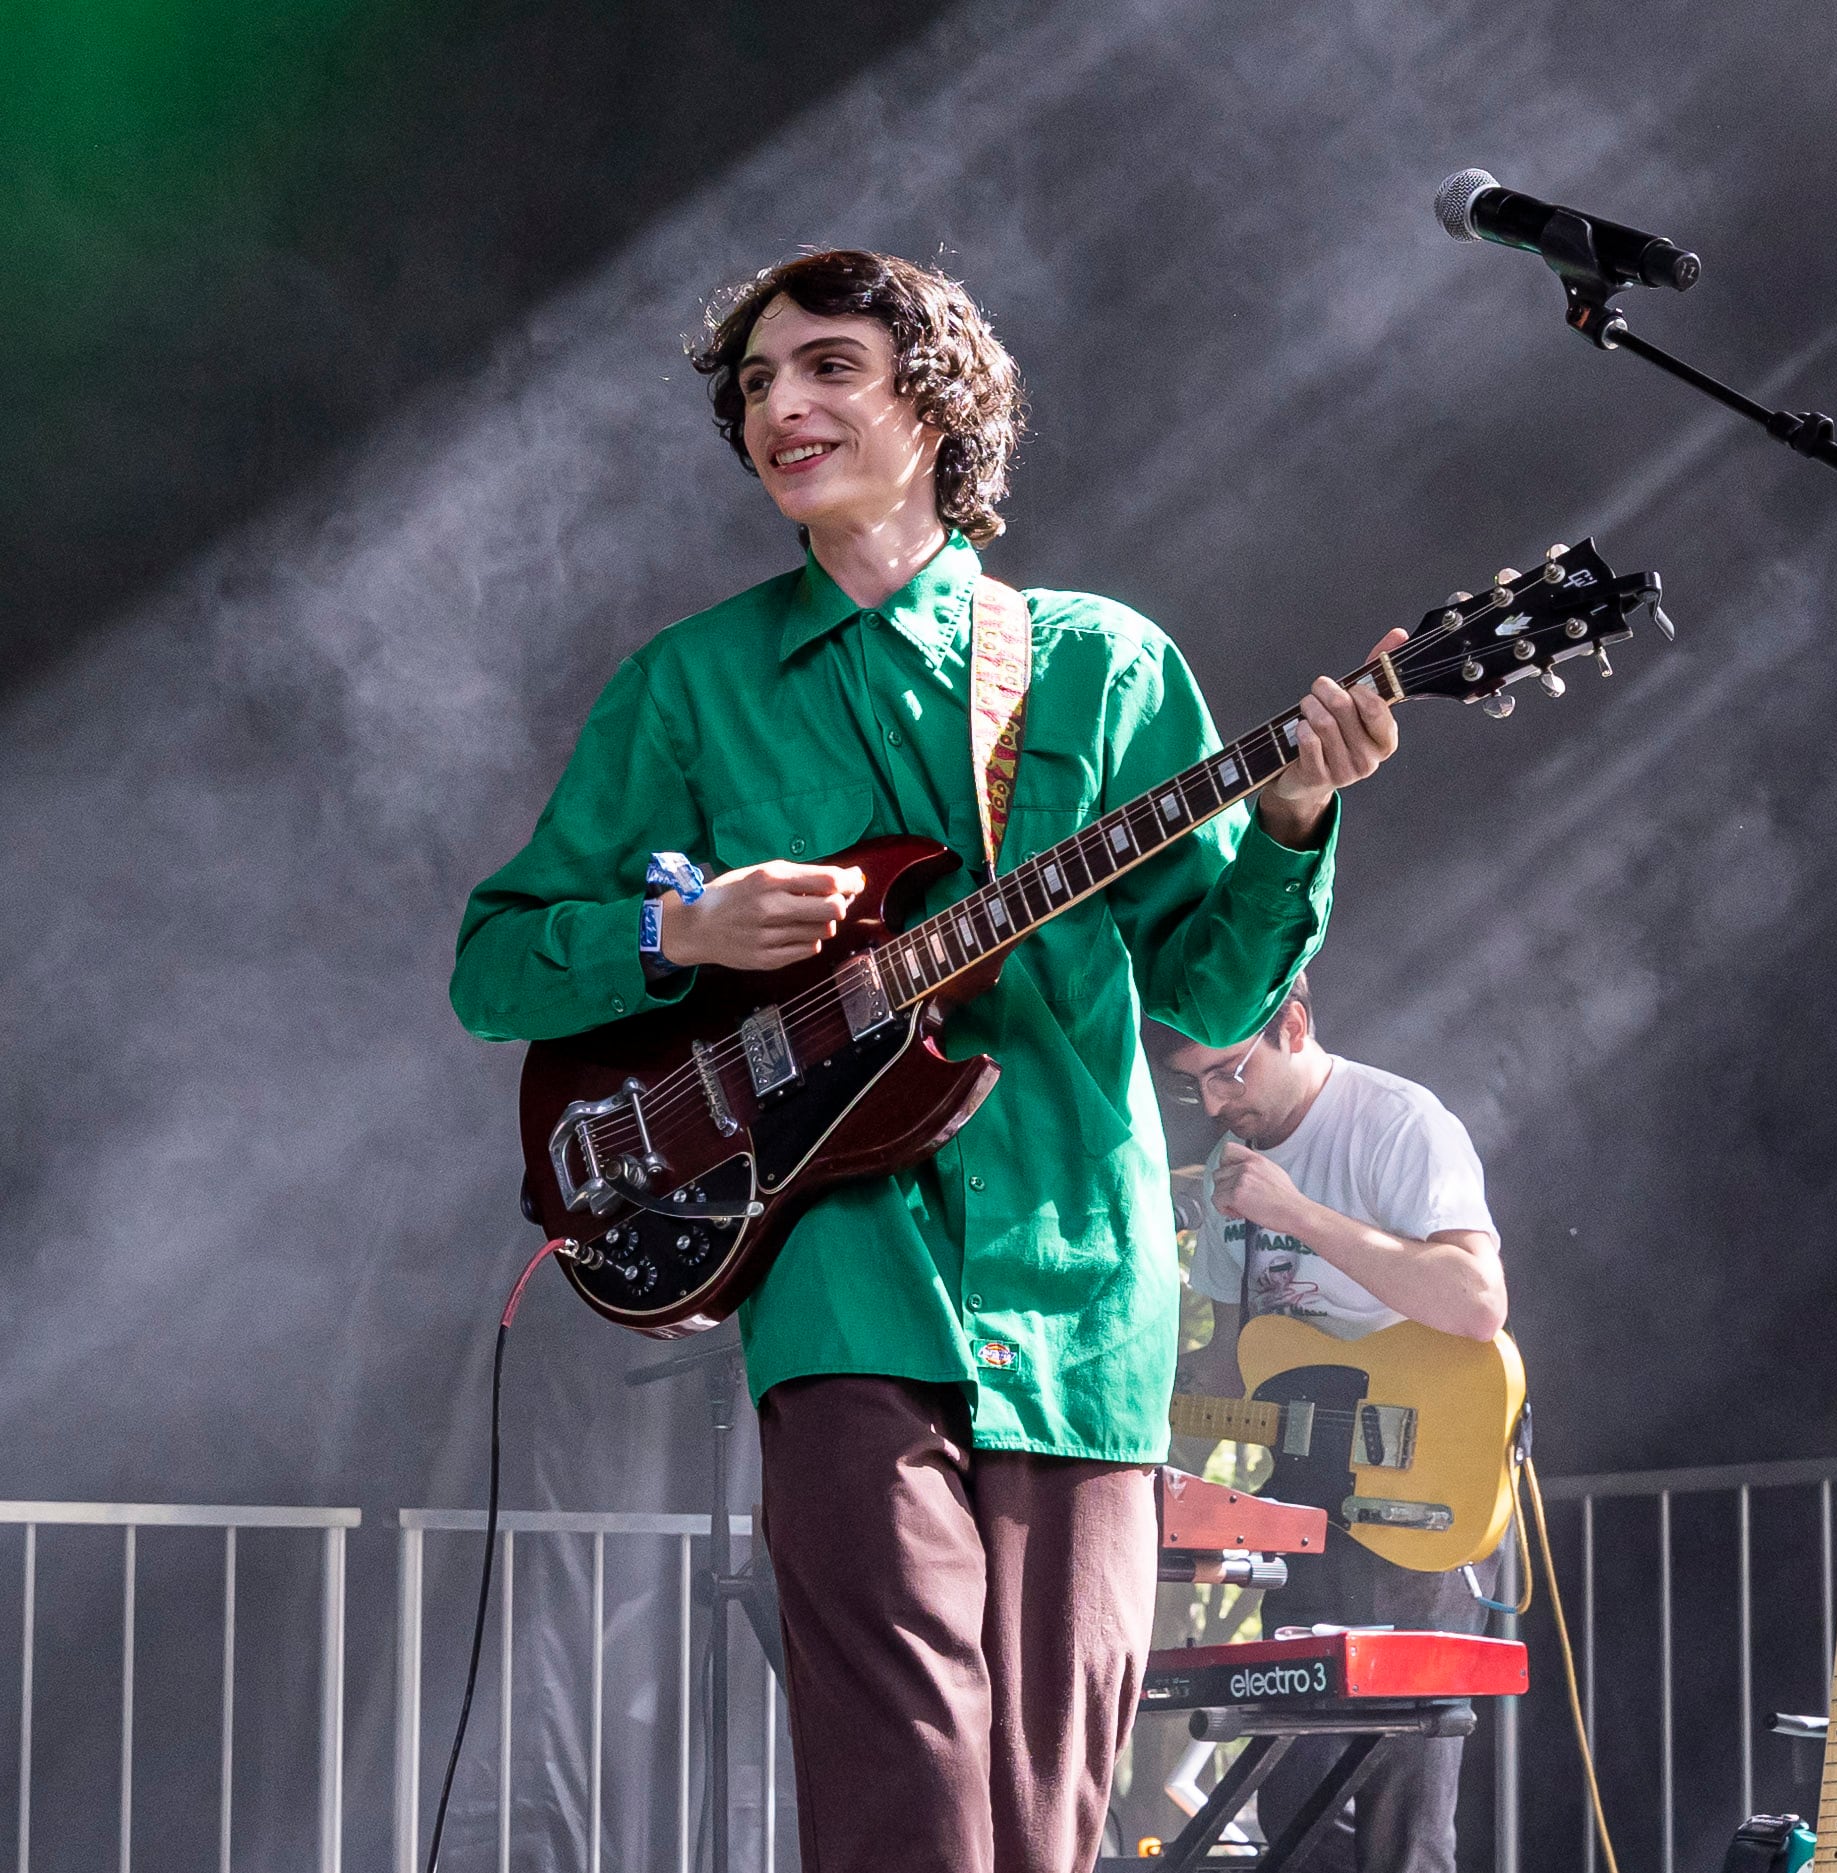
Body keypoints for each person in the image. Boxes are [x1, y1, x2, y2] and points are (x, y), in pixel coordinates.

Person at [449, 248, 1406, 1873]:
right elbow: (493, 966)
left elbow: (1207, 995)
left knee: (1045, 1808)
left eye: (826, 366)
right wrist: (678, 932)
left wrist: (1296, 819)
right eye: (757, 382)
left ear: (936, 405)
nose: (781, 405)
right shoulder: (689, 687)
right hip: (844, 1290)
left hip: (1083, 1292)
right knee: (907, 1785)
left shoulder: (1100, 663)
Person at [1164, 976, 1506, 1873]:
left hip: (1416, 1483)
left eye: (1228, 1072)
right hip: (1305, 1500)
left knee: (1402, 1807)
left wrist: (1294, 1214)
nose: (1214, 1103)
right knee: (1296, 1797)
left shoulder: (1395, 1122)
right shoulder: (1227, 1164)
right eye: (1193, 1085)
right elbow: (1231, 1364)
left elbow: (1477, 1301)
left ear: (1293, 1024)